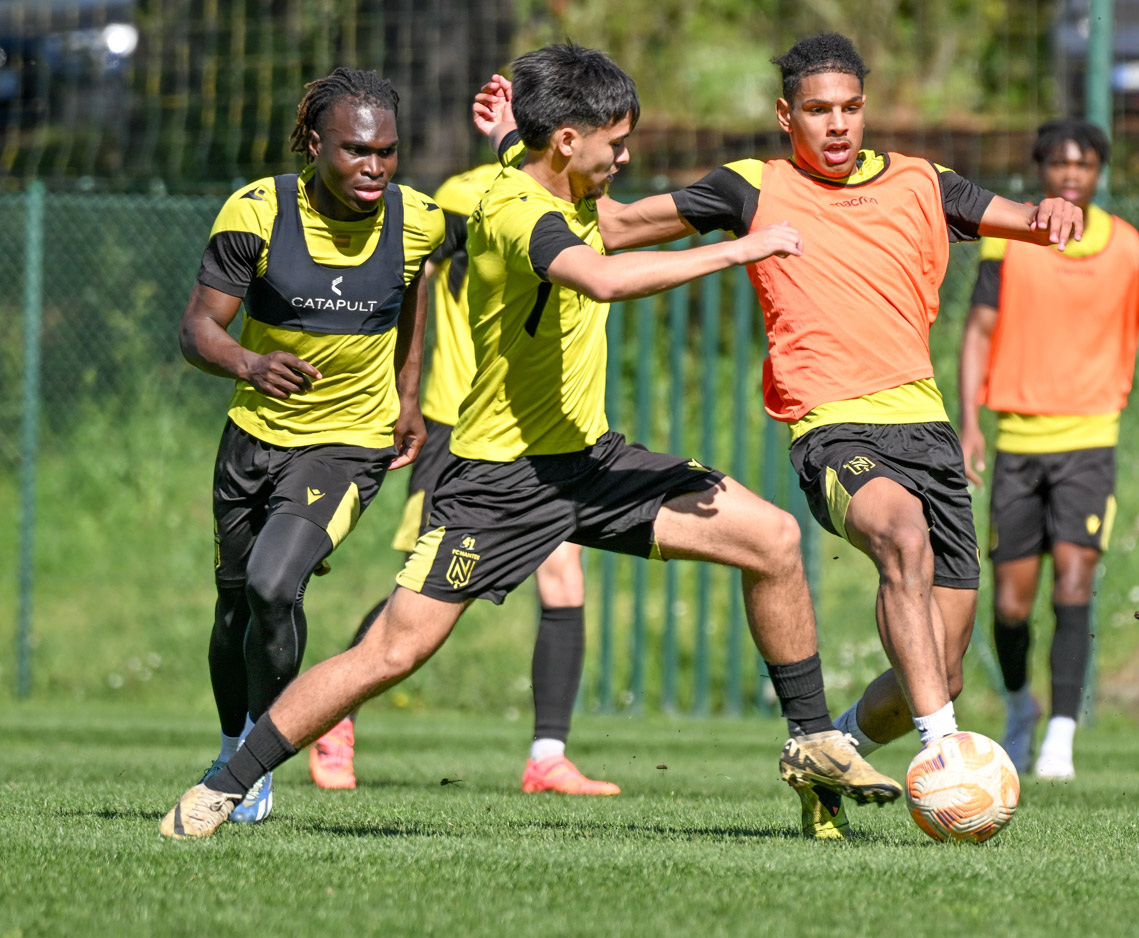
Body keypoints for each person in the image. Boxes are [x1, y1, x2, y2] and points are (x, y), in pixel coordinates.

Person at [161, 43, 899, 840]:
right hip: (500, 480)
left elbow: (568, 181)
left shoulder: (564, 174)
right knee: (393, 653)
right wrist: (741, 246)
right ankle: (224, 783)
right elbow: (602, 274)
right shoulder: (517, 211)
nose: (626, 156)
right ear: (570, 143)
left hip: (589, 461)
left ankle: (814, 742)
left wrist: (516, 129)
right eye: (617, 142)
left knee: (775, 539)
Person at [528, 32, 1084, 838]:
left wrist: (1055, 212)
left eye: (851, 109)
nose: (837, 125)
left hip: (924, 430)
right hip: (834, 429)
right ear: (786, 115)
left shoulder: (922, 182)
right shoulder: (753, 187)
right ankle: (947, 751)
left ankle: (832, 749)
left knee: (943, 661)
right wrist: (524, 146)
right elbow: (612, 227)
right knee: (899, 536)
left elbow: (1033, 220)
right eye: (818, 110)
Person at [310, 111, 617, 797]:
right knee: (424, 596)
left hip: (537, 432)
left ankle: (547, 756)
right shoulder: (467, 193)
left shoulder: (581, 200)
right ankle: (335, 709)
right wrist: (407, 391)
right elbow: (413, 277)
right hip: (462, 423)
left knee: (563, 581)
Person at [177, 67, 444, 825]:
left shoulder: (416, 219)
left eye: (387, 153)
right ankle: (231, 749)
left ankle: (256, 763)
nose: (374, 167)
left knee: (273, 585)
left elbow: (414, 294)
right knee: (233, 609)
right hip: (253, 435)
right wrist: (250, 364)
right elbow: (199, 329)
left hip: (349, 443)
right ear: (314, 143)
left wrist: (410, 394)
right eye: (357, 151)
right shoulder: (257, 212)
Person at [958, 118, 1139, 782]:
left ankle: (1061, 738)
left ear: (1100, 172)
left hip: (1090, 442)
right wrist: (969, 424)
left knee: (1074, 580)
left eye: (1086, 164)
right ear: (1040, 169)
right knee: (1011, 603)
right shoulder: (1008, 242)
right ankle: (1020, 708)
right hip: (1018, 442)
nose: (1073, 174)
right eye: (1061, 163)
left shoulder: (1127, 246)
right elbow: (978, 332)